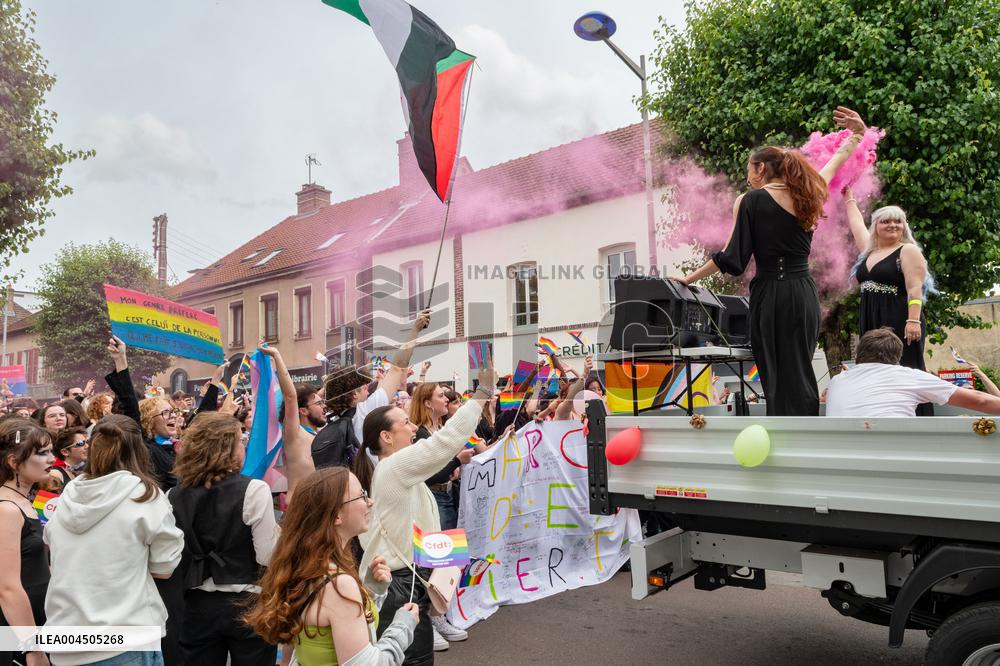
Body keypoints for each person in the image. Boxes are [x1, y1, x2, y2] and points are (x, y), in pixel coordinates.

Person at [676, 106, 869, 416]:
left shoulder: (749, 201)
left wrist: (688, 280)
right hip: (804, 294)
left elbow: (732, 258)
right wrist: (858, 134)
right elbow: (836, 161)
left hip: (771, 296)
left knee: (776, 375)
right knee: (801, 369)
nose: (747, 176)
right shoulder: (811, 192)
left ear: (762, 168)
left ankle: (784, 437)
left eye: (749, 169)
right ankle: (807, 433)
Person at [353, 357, 496, 663]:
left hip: (409, 579)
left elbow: (420, 525)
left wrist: (442, 564)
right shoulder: (393, 466)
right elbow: (442, 445)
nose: (414, 426)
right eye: (404, 422)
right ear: (386, 437)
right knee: (414, 660)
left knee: (415, 657)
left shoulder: (399, 470)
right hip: (400, 583)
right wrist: (482, 394)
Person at [44, 414, 185, 665]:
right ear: (138, 451)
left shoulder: (67, 495)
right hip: (125, 636)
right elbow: (165, 567)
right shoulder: (145, 496)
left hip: (68, 638)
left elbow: (53, 548)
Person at [245, 467, 418, 666]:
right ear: (336, 515)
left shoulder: (305, 567)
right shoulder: (339, 585)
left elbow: (306, 648)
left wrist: (371, 591)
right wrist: (403, 625)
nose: (370, 502)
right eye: (361, 495)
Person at [169, 411, 280, 664]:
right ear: (226, 448)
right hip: (247, 601)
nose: (243, 446)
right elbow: (267, 555)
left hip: (196, 603)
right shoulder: (254, 489)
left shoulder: (173, 495)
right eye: (240, 441)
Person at [312, 311, 430, 469]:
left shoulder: (325, 424)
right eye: (363, 386)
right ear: (354, 395)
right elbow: (396, 368)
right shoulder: (366, 411)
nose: (368, 387)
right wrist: (415, 330)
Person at [845, 191, 932, 390]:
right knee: (873, 368)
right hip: (871, 317)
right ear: (876, 226)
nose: (893, 225)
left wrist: (913, 321)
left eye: (898, 221)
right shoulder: (869, 251)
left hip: (900, 320)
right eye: (886, 221)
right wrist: (848, 197)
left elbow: (914, 288)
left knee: (903, 369)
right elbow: (856, 223)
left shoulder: (908, 251)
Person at [825, 328, 1000, 417]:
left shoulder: (837, 381)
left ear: (860, 354)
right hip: (897, 464)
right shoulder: (908, 376)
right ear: (897, 358)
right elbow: (981, 400)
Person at [0, 419, 53, 666]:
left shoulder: (25, 500)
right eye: (42, 453)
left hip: (38, 620)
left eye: (51, 451)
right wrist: (33, 649)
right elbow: (7, 588)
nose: (51, 459)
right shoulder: (6, 509)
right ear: (13, 462)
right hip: (16, 633)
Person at [46, 426, 88, 493]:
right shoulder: (55, 474)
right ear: (65, 452)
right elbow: (44, 502)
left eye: (87, 442)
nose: (87, 446)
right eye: (81, 443)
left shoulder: (77, 471)